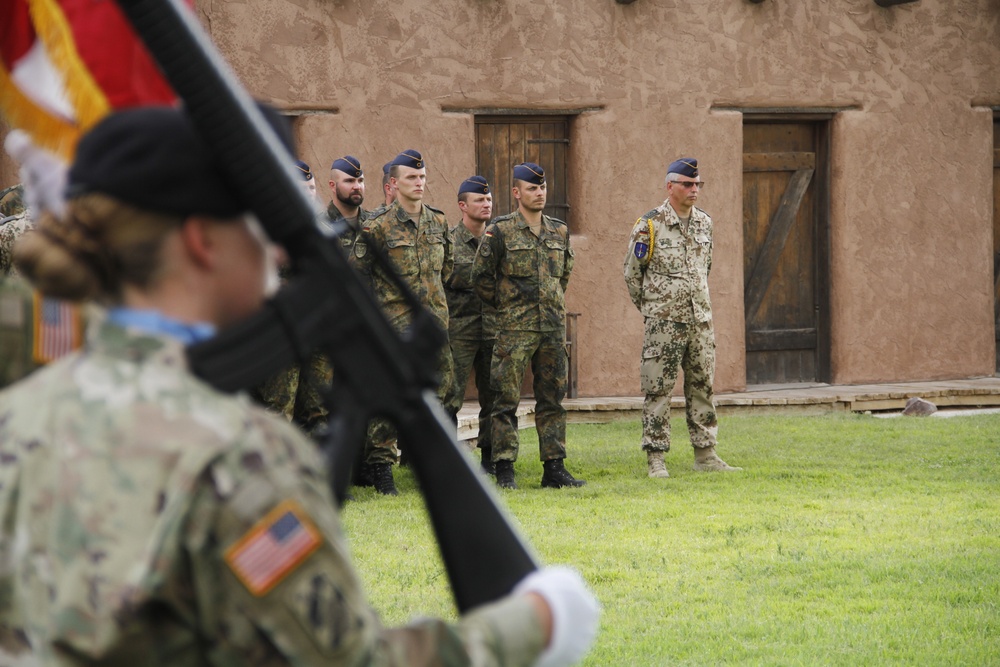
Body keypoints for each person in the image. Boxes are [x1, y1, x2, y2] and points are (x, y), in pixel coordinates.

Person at [0, 106, 599, 666]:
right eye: (262, 226)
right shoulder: (237, 462)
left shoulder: (22, 409)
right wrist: (537, 622)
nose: (279, 249)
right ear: (202, 242)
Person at [622, 157, 741, 478]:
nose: (694, 190)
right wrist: (654, 309)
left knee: (703, 386)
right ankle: (656, 458)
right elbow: (633, 275)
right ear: (670, 186)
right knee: (658, 389)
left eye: (697, 184)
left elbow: (706, 268)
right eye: (688, 184)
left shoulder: (705, 223)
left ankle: (706, 454)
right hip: (664, 323)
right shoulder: (649, 225)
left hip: (700, 322)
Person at [472, 162, 584, 490]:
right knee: (504, 399)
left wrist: (548, 302)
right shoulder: (501, 230)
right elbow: (480, 275)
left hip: (550, 327)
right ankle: (504, 466)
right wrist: (506, 306)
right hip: (514, 330)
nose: (540, 193)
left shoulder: (558, 231)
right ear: (517, 193)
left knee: (552, 399)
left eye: (543, 187)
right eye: (532, 188)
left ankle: (554, 467)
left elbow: (563, 274)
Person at [361, 149, 456, 494]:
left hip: (434, 325)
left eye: (422, 177)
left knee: (440, 393)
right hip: (395, 325)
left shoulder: (439, 222)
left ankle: (426, 461)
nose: (419, 183)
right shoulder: (377, 226)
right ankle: (381, 467)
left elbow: (447, 271)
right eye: (411, 178)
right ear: (394, 184)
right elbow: (361, 277)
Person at [445, 175, 498, 474]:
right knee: (449, 396)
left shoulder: (498, 238)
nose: (486, 203)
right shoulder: (449, 240)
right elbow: (445, 277)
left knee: (493, 396)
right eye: (480, 199)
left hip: (493, 328)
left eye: (488, 199)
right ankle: (449, 462)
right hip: (460, 328)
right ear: (463, 206)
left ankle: (490, 459)